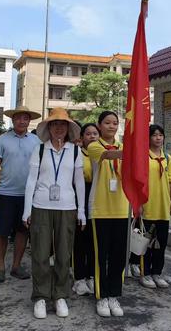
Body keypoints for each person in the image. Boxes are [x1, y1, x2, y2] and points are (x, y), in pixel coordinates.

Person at [23, 108, 85, 319]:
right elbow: (31, 180)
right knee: (40, 253)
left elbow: (79, 183)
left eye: (63, 124)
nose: (59, 128)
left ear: (68, 128)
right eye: (55, 124)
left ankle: (60, 295)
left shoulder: (75, 151)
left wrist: (82, 211)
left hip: (67, 208)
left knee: (63, 253)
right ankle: (40, 296)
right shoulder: (40, 150)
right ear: (48, 128)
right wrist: (26, 210)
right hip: (41, 206)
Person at [0, 106, 41, 283]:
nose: (21, 121)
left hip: (28, 195)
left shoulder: (36, 141)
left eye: (25, 118)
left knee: (22, 231)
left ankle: (16, 266)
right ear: (13, 120)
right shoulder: (2, 140)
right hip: (5, 193)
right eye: (18, 118)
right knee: (2, 232)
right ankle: (0, 267)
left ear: (29, 121)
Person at [88, 111, 128, 318]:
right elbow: (108, 156)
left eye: (115, 123)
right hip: (100, 209)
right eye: (107, 123)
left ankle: (114, 294)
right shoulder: (95, 146)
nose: (112, 126)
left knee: (119, 256)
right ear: (100, 125)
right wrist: (135, 150)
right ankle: (101, 296)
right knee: (100, 255)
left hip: (122, 208)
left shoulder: (124, 148)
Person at [139, 124, 171, 289]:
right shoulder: (143, 157)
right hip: (148, 206)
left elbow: (170, 182)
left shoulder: (167, 158)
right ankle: (145, 273)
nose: (158, 138)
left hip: (163, 207)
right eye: (154, 135)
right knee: (145, 242)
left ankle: (157, 272)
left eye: (160, 135)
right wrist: (138, 203)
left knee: (161, 242)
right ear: (148, 138)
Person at [72, 122, 99, 296]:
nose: (92, 137)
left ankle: (91, 275)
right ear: (81, 137)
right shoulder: (75, 153)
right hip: (79, 195)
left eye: (95, 134)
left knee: (93, 240)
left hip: (98, 197)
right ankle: (79, 278)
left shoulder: (103, 154)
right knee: (80, 239)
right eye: (88, 134)